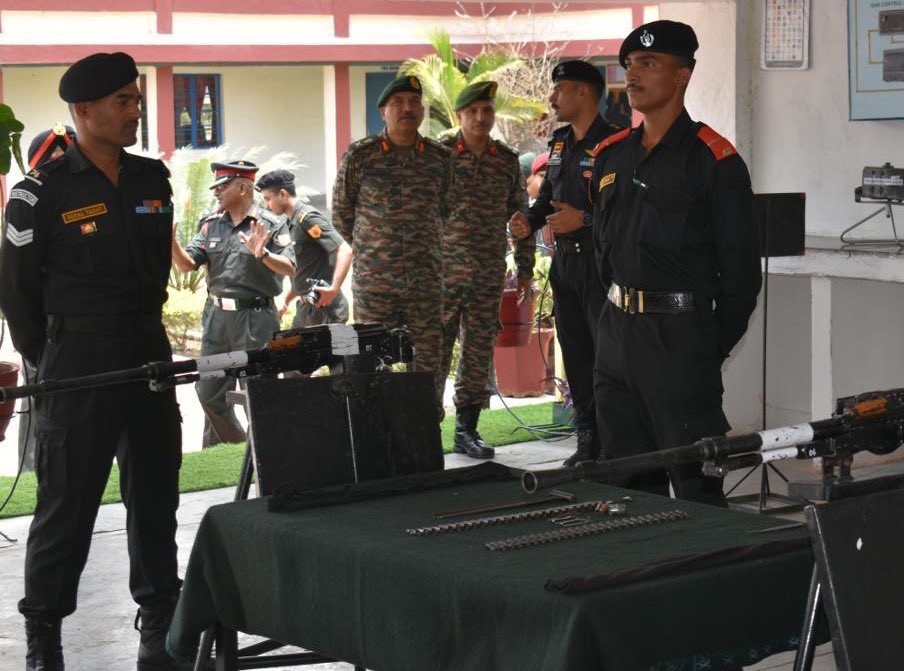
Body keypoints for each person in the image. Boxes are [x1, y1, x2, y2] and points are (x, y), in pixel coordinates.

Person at [0, 52, 190, 671]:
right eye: (123, 102)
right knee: (67, 504)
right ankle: (45, 636)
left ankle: (159, 621)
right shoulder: (38, 192)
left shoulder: (150, 178)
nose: (136, 110)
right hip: (77, 359)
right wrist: (47, 360)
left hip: (148, 354)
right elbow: (18, 293)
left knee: (156, 495)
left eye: (136, 100)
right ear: (83, 110)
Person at [591, 20, 762, 507]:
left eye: (649, 64)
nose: (634, 76)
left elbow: (742, 276)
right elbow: (607, 257)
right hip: (617, 337)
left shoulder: (714, 160)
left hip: (678, 342)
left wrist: (704, 348)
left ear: (683, 75)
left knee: (695, 490)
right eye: (629, 66)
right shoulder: (610, 157)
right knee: (624, 485)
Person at [509, 60, 622, 467]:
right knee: (576, 355)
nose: (553, 98)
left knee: (606, 357)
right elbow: (547, 199)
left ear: (584, 93)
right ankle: (587, 441)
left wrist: (584, 219)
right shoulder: (559, 144)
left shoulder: (616, 143)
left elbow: (623, 210)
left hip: (601, 266)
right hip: (565, 266)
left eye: (560, 90)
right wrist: (529, 219)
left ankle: (613, 445)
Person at [332, 74, 450, 417]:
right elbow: (341, 212)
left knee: (428, 361)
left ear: (423, 110)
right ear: (383, 111)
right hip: (375, 284)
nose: (407, 109)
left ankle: (426, 431)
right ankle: (375, 435)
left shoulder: (439, 158)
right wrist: (373, 248)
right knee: (372, 360)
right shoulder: (361, 155)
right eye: (397, 103)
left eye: (413, 102)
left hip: (425, 282)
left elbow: (444, 207)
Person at [439, 81, 535, 459]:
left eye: (487, 110)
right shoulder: (437, 155)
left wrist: (525, 268)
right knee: (434, 354)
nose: (481, 118)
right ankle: (425, 429)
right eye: (473, 111)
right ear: (460, 115)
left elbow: (520, 218)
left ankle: (467, 430)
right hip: (443, 275)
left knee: (477, 353)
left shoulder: (505, 160)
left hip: (486, 274)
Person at [171, 160, 295, 447]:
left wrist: (263, 254)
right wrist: (170, 242)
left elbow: (290, 267)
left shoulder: (271, 224)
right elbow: (188, 265)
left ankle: (268, 455)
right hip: (216, 320)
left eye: (222, 186)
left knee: (258, 392)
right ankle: (237, 448)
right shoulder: (211, 224)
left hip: (255, 319)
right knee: (209, 392)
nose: (216, 192)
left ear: (242, 187)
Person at [12, 125, 79, 474]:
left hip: (87, 331)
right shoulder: (28, 203)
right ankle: (32, 472)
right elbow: (16, 283)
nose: (62, 165)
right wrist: (32, 343)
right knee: (42, 406)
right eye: (53, 159)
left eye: (66, 157)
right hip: (47, 330)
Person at [255, 169, 351, 328]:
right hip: (307, 309)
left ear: (283, 194)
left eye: (268, 199)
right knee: (295, 351)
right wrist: (286, 300)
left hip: (327, 311)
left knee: (341, 352)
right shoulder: (291, 222)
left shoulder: (307, 218)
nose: (266, 205)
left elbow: (345, 250)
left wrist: (333, 289)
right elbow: (306, 270)